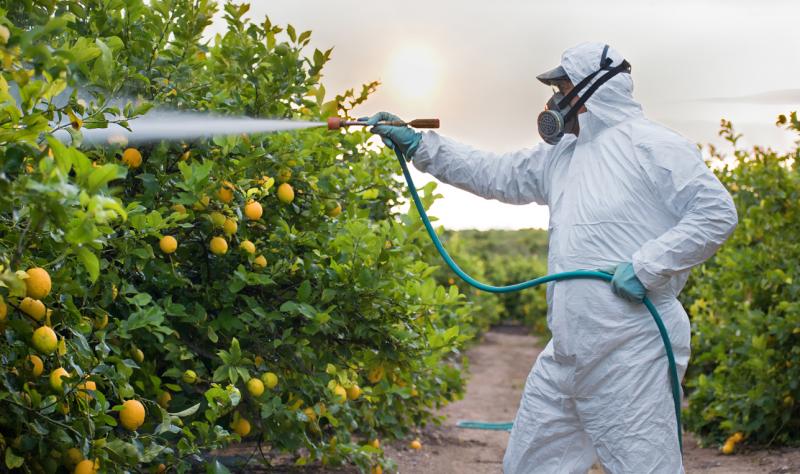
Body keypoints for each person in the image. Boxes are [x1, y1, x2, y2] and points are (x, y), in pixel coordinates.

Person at [366, 42, 738, 473]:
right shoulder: (562, 155)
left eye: (560, 88)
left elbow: (716, 213)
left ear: (588, 92)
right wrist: (420, 146)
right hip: (567, 354)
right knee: (529, 465)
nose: (551, 101)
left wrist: (647, 267)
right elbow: (495, 172)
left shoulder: (653, 145)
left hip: (632, 351)